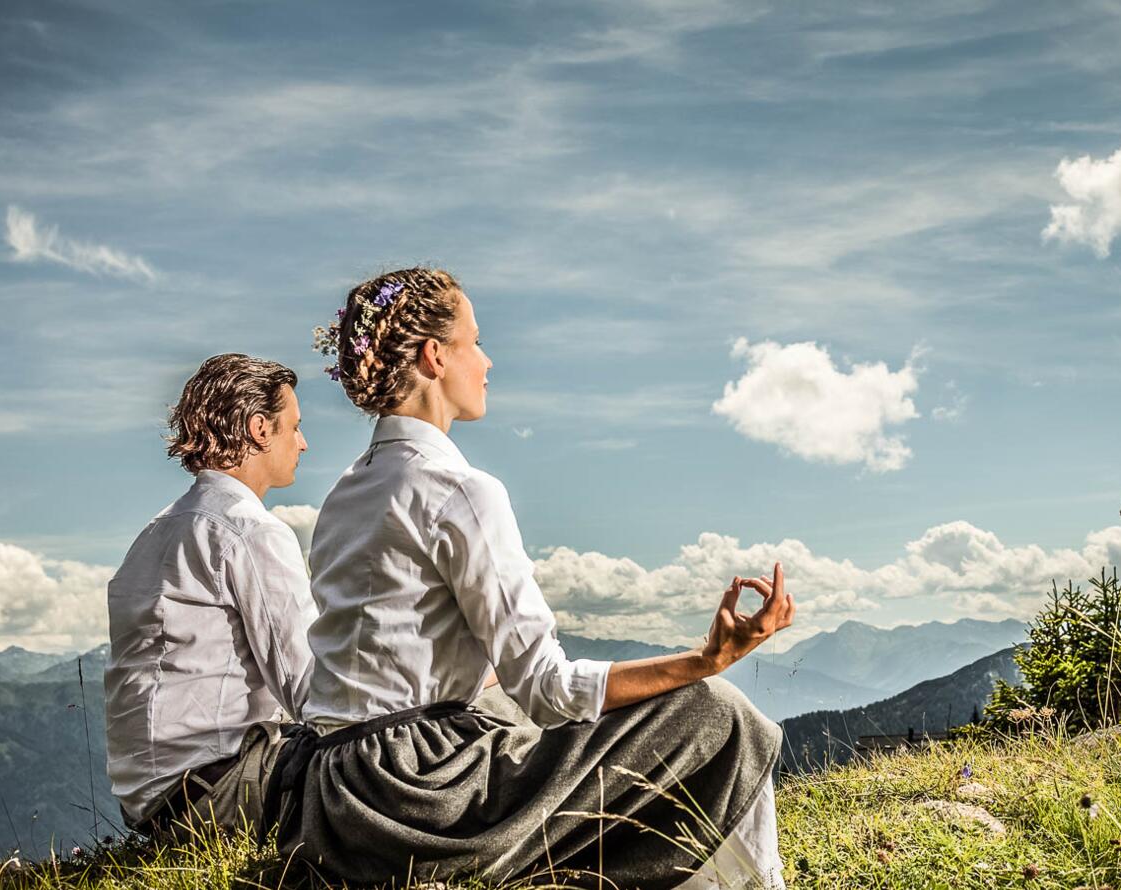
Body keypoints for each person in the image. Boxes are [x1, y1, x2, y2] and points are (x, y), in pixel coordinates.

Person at [271, 270, 794, 889]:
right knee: (718, 713)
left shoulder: (345, 493)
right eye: (475, 341)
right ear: (436, 357)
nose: (488, 360)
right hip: (417, 796)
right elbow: (546, 687)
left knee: (503, 712)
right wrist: (704, 661)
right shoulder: (460, 490)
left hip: (333, 798)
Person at [104, 353, 317, 837]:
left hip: (152, 808)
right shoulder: (248, 530)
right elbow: (309, 688)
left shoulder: (155, 532)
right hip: (220, 794)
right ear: (260, 428)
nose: (303, 443)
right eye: (295, 427)